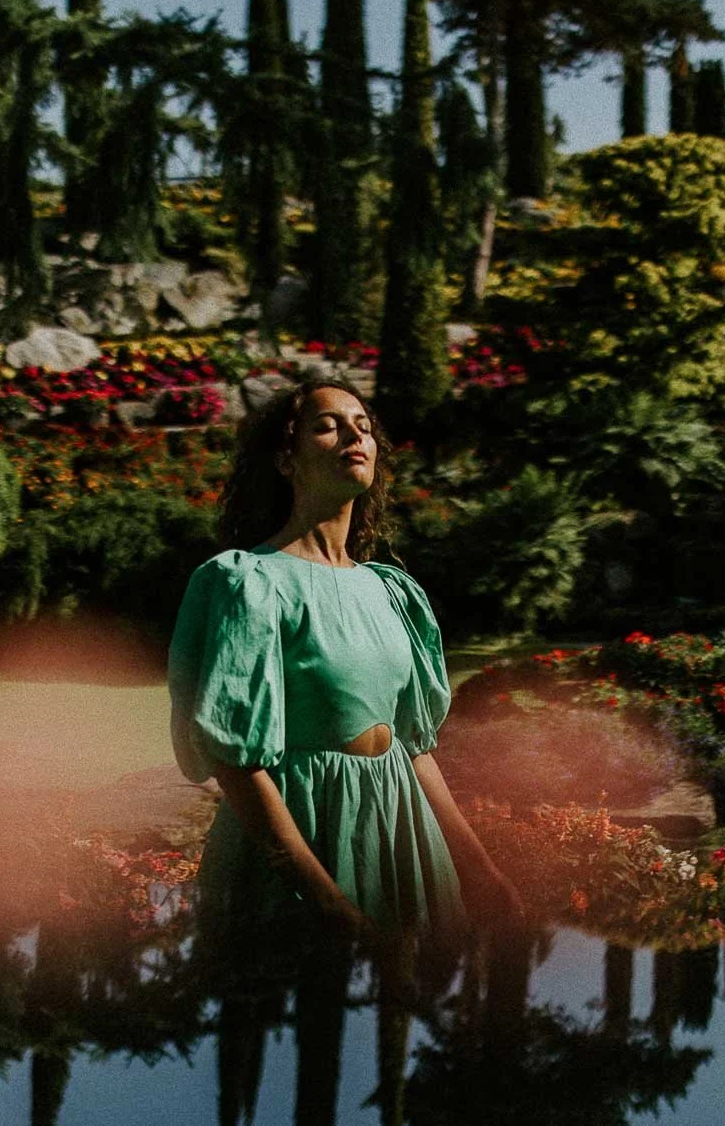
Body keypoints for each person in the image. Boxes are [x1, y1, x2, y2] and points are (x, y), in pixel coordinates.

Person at [167, 375, 525, 953]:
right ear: (286, 458)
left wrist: (480, 869)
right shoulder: (248, 583)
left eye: (362, 426)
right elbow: (237, 765)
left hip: (401, 829)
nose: (353, 436)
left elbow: (415, 746)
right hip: (305, 835)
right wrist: (332, 905)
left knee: (393, 1019)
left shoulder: (390, 590)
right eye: (327, 426)